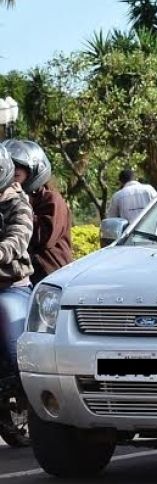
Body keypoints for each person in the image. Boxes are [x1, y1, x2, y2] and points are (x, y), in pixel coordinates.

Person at [3, 140, 72, 283]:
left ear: (33, 173)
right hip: (13, 276)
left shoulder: (51, 199)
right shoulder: (6, 198)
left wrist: (22, 203)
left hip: (48, 275)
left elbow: (43, 238)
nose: (11, 180)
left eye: (16, 175)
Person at [0, 144, 34, 381]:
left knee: (18, 352)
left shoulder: (17, 202)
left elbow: (19, 237)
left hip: (10, 286)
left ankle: (28, 399)